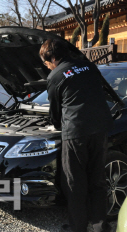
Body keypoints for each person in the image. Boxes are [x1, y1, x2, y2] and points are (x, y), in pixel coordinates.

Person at [39, 39, 112, 232]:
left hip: (76, 132)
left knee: (74, 182)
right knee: (97, 179)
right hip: (100, 128)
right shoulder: (89, 66)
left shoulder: (55, 75)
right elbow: (98, 92)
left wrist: (55, 126)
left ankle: (78, 227)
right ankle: (99, 226)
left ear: (53, 58)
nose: (47, 66)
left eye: (46, 62)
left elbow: (55, 112)